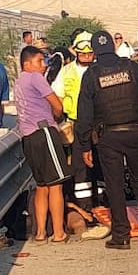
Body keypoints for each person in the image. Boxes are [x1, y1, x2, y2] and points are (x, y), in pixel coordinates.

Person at [76, 31, 138, 250]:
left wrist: (84, 145)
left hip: (109, 136)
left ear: (94, 51)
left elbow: (84, 114)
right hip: (137, 132)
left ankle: (121, 236)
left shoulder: (91, 75)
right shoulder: (133, 67)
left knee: (114, 186)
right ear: (113, 47)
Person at [15, 45, 71, 243]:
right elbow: (57, 104)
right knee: (56, 184)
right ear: (27, 63)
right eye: (39, 61)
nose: (43, 65)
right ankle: (58, 233)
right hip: (44, 132)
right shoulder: (35, 78)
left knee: (41, 185)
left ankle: (40, 233)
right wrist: (57, 117)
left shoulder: (19, 82)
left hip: (28, 137)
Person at [52, 31, 97, 207]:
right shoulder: (67, 71)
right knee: (80, 165)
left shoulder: (99, 68)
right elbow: (58, 97)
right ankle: (84, 204)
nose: (87, 56)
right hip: (76, 123)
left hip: (98, 123)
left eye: (90, 53)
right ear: (76, 52)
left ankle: (102, 201)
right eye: (83, 53)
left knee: (100, 162)